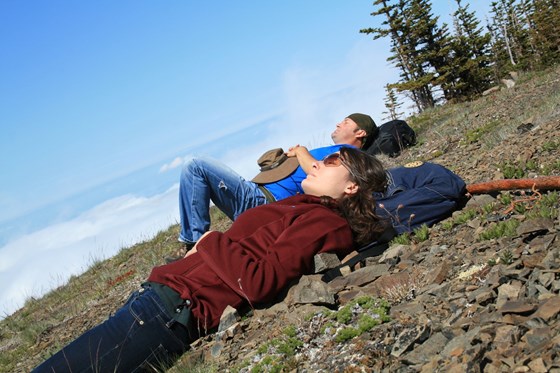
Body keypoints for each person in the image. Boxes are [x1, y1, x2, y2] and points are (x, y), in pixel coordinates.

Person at [33, 147, 388, 372]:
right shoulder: (310, 209)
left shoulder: (324, 221)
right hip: (159, 304)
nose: (318, 164)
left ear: (352, 186)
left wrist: (209, 240)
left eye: (332, 161)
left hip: (171, 312)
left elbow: (258, 283)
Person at [177, 113, 378, 254]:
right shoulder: (334, 149)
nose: (338, 124)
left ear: (360, 133)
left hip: (265, 199)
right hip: (259, 194)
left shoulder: (350, 156)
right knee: (197, 167)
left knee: (197, 166)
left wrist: (301, 152)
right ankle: (196, 244)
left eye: (345, 122)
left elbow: (316, 170)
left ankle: (194, 241)